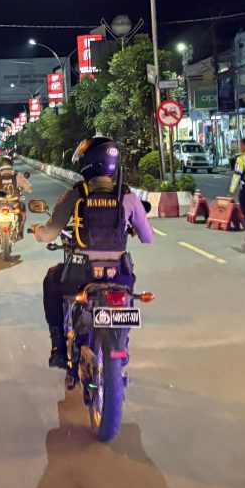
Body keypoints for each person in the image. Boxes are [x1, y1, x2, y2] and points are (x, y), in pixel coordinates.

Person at [30, 137, 154, 369]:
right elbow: (148, 237)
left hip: (81, 273)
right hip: (118, 273)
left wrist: (38, 231)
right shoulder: (127, 196)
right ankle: (121, 342)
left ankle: (58, 347)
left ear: (87, 162)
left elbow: (49, 234)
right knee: (125, 298)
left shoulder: (75, 195)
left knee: (51, 281)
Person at [0, 155, 32, 231]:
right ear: (10, 164)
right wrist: (27, 189)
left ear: (0, 165)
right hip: (14, 202)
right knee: (22, 212)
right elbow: (28, 189)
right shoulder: (17, 174)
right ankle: (20, 231)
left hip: (0, 203)